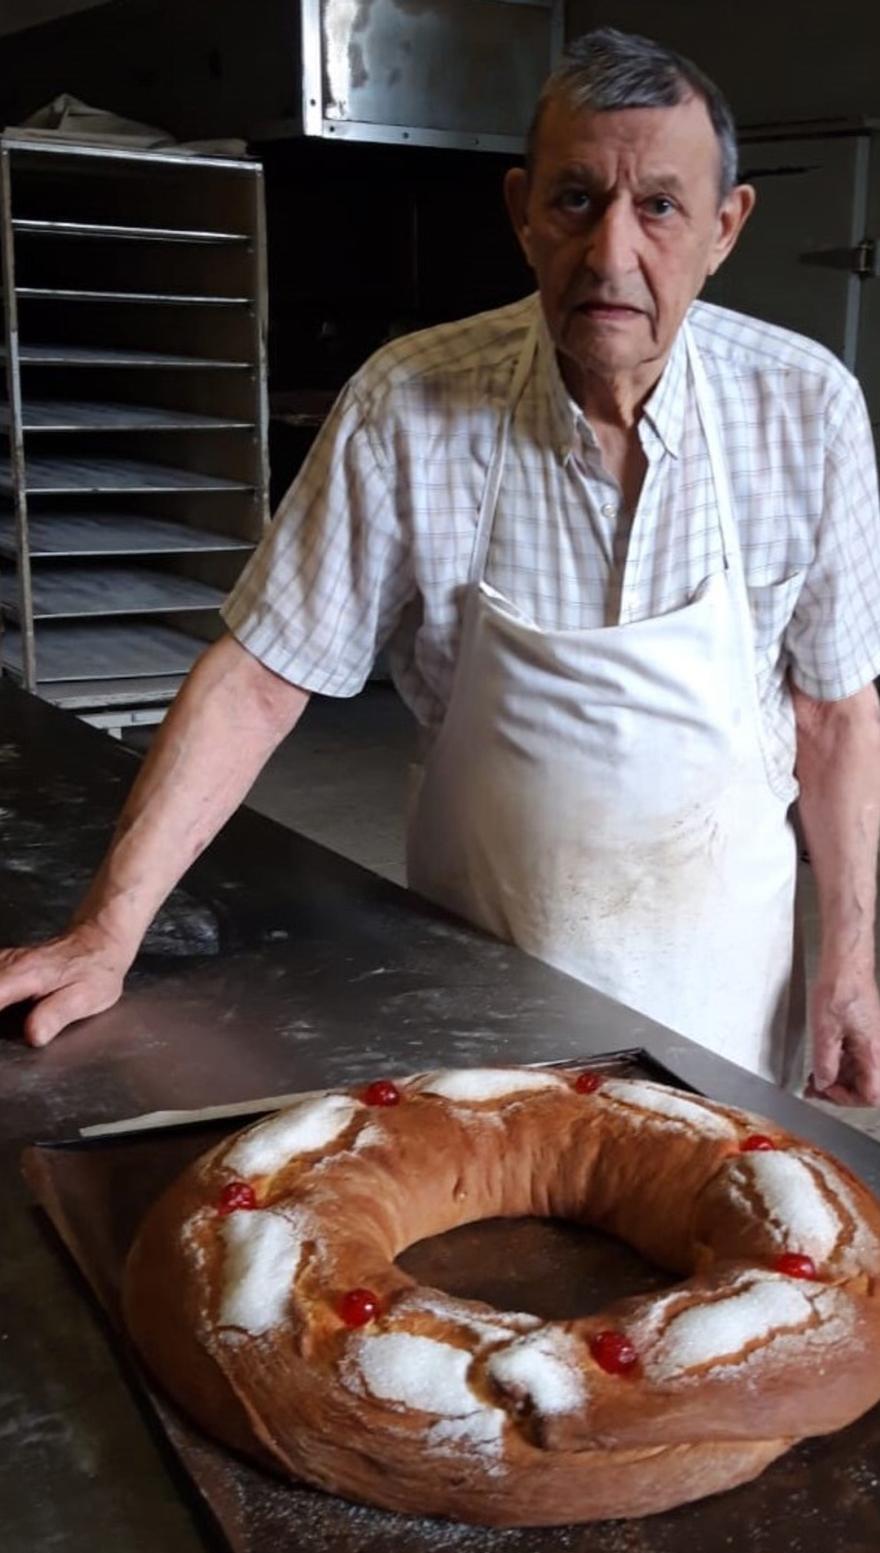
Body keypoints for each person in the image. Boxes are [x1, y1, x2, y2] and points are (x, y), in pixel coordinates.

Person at [2, 27, 880, 1105]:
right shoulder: (408, 403)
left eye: (657, 205)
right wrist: (105, 933)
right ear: (520, 212)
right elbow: (260, 676)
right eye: (573, 200)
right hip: (481, 987)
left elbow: (836, 716)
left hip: (728, 994)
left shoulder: (806, 409)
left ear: (723, 228)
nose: (610, 254)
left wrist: (847, 966)